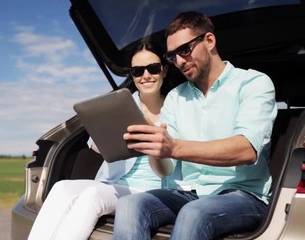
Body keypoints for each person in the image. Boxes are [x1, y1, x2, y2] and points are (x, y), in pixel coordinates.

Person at [113, 11, 277, 240]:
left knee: (193, 214)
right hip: (187, 193)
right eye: (173, 56)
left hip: (243, 195)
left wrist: (172, 147)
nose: (179, 61)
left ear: (209, 41)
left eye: (184, 50)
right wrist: (155, 149)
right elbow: (166, 169)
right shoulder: (175, 97)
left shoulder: (253, 83)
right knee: (130, 204)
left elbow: (246, 150)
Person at [27, 41, 174, 240]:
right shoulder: (122, 104)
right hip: (113, 183)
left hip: (151, 190)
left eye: (153, 68)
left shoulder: (177, 107)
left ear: (164, 70)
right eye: (137, 71)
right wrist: (101, 136)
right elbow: (95, 147)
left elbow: (174, 163)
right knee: (61, 187)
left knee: (92, 196)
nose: (146, 76)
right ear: (132, 75)